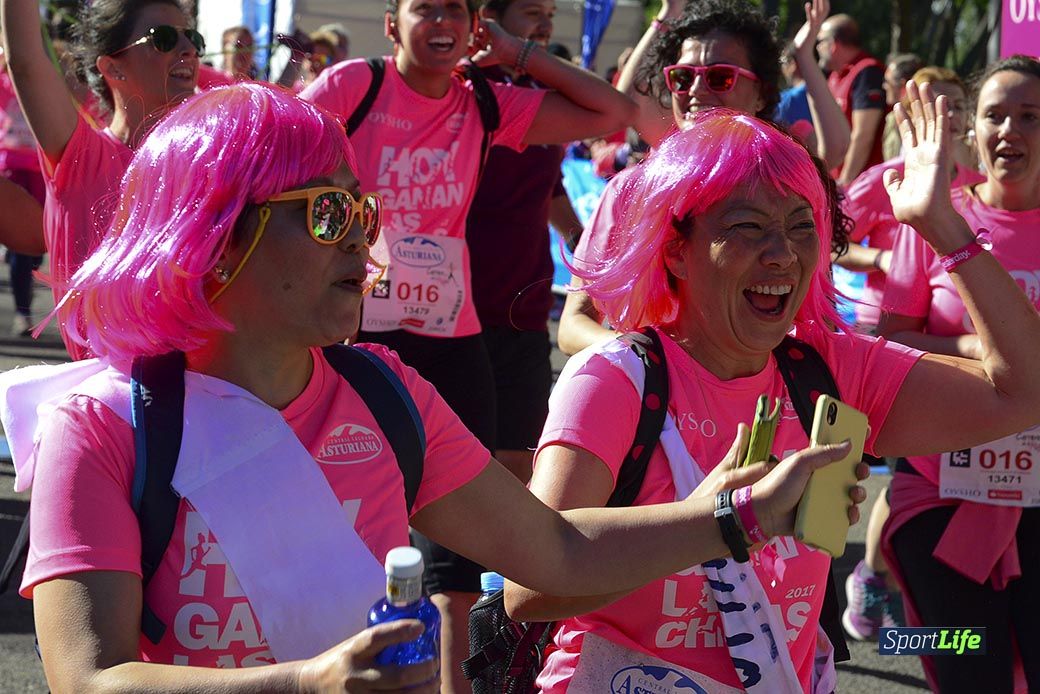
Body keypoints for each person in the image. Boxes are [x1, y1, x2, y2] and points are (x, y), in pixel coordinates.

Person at [1, 82, 863, 694]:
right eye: (328, 213)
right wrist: (308, 683)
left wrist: (739, 517)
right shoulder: (105, 425)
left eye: (364, 212)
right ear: (218, 238)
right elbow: (89, 677)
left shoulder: (387, 394)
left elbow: (555, 555)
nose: (362, 240)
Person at [504, 84, 1040, 692]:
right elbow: (529, 586)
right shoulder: (614, 378)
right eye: (748, 227)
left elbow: (1022, 394)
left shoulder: (831, 369)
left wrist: (942, 227)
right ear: (676, 250)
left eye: (800, 226)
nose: (783, 254)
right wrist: (729, 519)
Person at [301, 0, 637, 683]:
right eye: (424, 7)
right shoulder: (355, 86)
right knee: (340, 517)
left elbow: (614, 112)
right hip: (353, 333)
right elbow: (278, 156)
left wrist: (516, 50)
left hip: (451, 342)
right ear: (392, 24)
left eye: (455, 8)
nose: (441, 21)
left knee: (460, 548)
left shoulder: (483, 102)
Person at [558, 0, 849, 356]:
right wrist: (657, 361)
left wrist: (804, 56)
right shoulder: (631, 189)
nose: (695, 90)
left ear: (761, 93)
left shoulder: (790, 188)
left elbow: (820, 330)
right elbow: (573, 324)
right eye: (682, 77)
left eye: (719, 77)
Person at [879, 57, 1040, 693]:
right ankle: (877, 607)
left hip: (1038, 499)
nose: (1010, 130)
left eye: (1030, 116)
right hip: (940, 493)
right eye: (996, 115)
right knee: (965, 667)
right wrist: (974, 346)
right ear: (973, 128)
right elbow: (889, 343)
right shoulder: (933, 218)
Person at [1, 0, 201, 359]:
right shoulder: (82, 156)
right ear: (112, 67)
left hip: (199, 386)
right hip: (107, 387)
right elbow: (27, 63)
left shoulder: (206, 165)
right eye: (164, 38)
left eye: (193, 38)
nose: (188, 49)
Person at [816, 13, 886, 185]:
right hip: (839, 182)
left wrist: (845, 181)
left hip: (863, 187)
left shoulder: (867, 72)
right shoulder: (835, 76)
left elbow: (863, 134)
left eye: (820, 42)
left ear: (833, 44)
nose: (817, 48)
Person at [880, 53, 923, 160]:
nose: (884, 86)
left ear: (903, 85)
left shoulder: (921, 121)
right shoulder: (892, 117)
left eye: (887, 81)